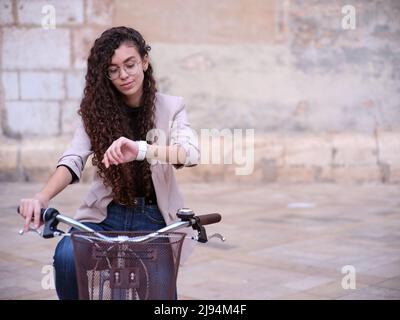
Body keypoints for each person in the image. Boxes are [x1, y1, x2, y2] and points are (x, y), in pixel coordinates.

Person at [18, 26, 199, 300]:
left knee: (162, 292)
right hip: (105, 214)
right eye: (113, 69)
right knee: (67, 256)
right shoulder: (95, 112)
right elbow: (73, 159)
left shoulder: (171, 106)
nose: (123, 75)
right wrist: (41, 198)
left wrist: (140, 149)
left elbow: (190, 154)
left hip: (153, 217)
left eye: (130, 64)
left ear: (145, 62)